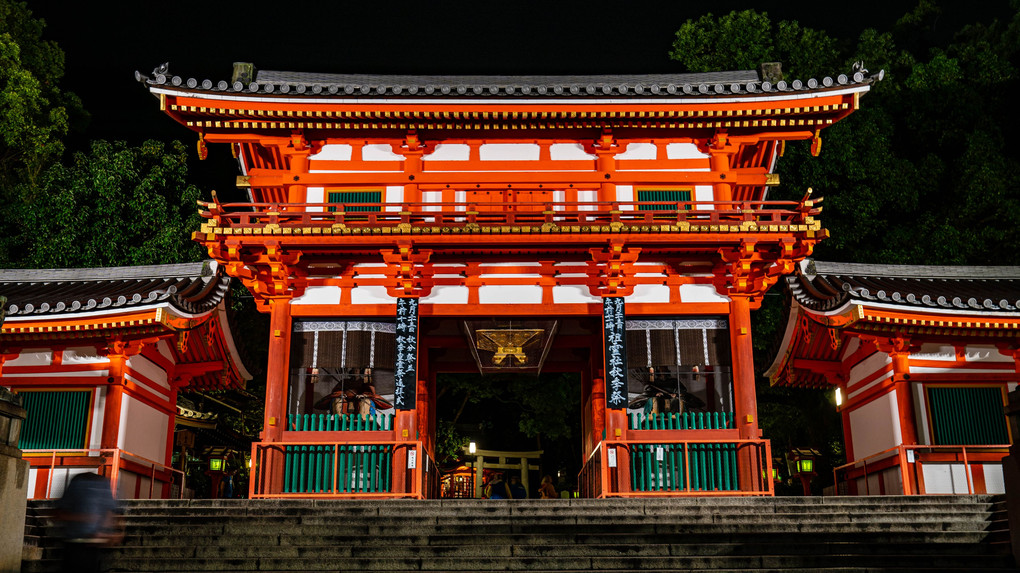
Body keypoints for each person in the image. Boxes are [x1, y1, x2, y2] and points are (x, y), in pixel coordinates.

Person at [55, 472, 122, 573]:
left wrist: (109, 532)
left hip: (89, 544)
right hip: (78, 542)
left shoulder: (83, 483)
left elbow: (111, 513)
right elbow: (59, 514)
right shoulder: (82, 483)